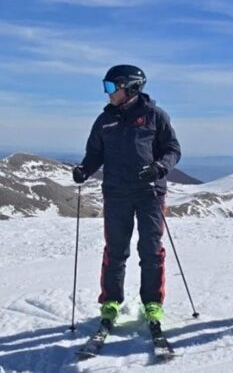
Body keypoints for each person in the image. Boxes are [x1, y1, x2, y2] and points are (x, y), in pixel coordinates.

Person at [73, 65, 181, 332]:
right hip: (116, 193)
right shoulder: (104, 120)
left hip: (150, 193)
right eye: (106, 86)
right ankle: (110, 302)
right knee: (116, 250)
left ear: (131, 87)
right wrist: (85, 169)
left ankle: (152, 303)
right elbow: (95, 153)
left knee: (151, 250)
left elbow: (172, 149)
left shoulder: (155, 116)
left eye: (111, 87)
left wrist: (159, 168)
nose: (107, 92)